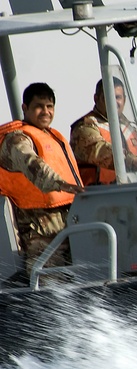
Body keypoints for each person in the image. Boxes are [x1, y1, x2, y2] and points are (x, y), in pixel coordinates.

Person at [0, 82, 84, 274]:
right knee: (49, 285)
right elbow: (31, 164)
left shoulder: (54, 136)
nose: (45, 112)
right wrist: (60, 184)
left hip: (68, 223)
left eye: (49, 106)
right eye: (39, 106)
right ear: (25, 108)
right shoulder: (16, 140)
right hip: (39, 230)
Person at [70, 77, 137, 185]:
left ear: (125, 100)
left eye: (118, 97)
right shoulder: (85, 126)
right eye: (108, 97)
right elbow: (101, 151)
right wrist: (135, 162)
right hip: (97, 196)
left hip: (130, 191)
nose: (114, 102)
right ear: (96, 99)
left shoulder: (129, 127)